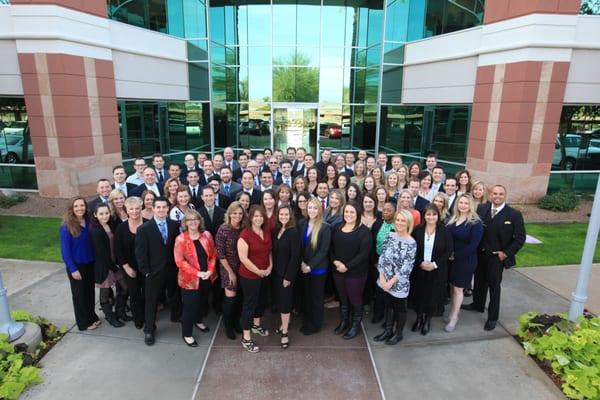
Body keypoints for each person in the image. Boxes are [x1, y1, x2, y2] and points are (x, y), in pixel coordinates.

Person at [463, 185, 526, 331]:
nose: (497, 196)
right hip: (480, 253)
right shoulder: (482, 208)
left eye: (501, 194)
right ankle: (477, 305)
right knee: (479, 282)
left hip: (497, 257)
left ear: (505, 195)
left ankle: (492, 317)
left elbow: (520, 238)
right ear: (491, 194)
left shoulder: (513, 214)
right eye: (495, 193)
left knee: (494, 287)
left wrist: (506, 253)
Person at [135, 196, 181, 345]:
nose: (161, 210)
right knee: (151, 301)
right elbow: (140, 253)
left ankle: (176, 316)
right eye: (158, 207)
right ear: (153, 208)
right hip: (153, 272)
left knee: (174, 294)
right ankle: (149, 329)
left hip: (172, 269)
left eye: (164, 207)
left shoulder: (174, 225)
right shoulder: (144, 229)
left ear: (168, 208)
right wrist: (146, 272)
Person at [330, 202, 373, 339]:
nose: (348, 214)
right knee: (343, 298)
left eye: (352, 212)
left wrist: (347, 266)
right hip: (338, 270)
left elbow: (363, 254)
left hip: (355, 273)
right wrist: (335, 261)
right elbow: (330, 247)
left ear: (358, 214)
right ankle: (344, 321)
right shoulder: (337, 227)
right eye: (346, 212)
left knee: (355, 299)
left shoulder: (364, 231)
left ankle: (355, 325)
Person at [174, 210, 217, 347]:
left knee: (202, 302)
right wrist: (197, 273)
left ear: (200, 221)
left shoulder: (207, 235)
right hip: (190, 280)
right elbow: (180, 262)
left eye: (195, 219)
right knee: (189, 307)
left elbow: (213, 254)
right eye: (189, 220)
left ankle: (198, 321)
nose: (193, 222)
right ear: (185, 223)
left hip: (207, 277)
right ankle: (187, 334)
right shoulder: (181, 239)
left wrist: (210, 270)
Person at [373, 210, 416, 345]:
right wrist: (382, 277)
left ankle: (398, 334)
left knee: (400, 309)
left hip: (398, 282)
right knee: (388, 306)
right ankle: (388, 330)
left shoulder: (411, 243)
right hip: (385, 279)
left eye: (403, 220)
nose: (399, 223)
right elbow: (382, 257)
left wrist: (391, 282)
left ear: (408, 222)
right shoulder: (390, 235)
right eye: (398, 220)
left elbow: (406, 267)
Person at [411, 204, 453, 335]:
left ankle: (427, 320)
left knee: (432, 296)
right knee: (419, 295)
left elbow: (448, 251)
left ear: (438, 216)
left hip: (436, 270)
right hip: (420, 269)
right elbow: (412, 248)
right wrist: (420, 263)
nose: (431, 217)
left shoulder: (444, 231)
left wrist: (434, 264)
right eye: (428, 214)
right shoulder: (418, 230)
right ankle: (418, 318)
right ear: (424, 215)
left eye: (434, 214)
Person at [444, 194, 484, 332]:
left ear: (470, 205)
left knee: (458, 288)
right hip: (450, 260)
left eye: (466, 203)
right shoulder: (452, 219)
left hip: (465, 260)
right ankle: (453, 311)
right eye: (460, 202)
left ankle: (454, 316)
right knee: (451, 286)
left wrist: (455, 256)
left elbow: (473, 245)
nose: (463, 205)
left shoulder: (475, 222)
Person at [60, 196, 100, 331]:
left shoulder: (89, 221)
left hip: (90, 264)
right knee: (79, 296)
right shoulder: (67, 227)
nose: (79, 208)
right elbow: (65, 252)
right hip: (77, 266)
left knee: (89, 293)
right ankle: (83, 323)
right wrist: (73, 269)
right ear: (71, 208)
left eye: (82, 205)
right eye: (76, 206)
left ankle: (92, 316)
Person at [238, 205, 273, 353]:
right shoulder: (244, 235)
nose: (258, 218)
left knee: (262, 301)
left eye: (261, 216)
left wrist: (270, 266)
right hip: (250, 276)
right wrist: (258, 271)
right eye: (255, 216)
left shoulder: (266, 231)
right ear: (250, 218)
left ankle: (256, 325)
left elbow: (269, 251)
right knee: (249, 305)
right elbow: (244, 259)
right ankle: (246, 338)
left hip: (265, 273)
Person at [90, 204, 126, 328]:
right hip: (105, 267)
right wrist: (115, 267)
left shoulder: (110, 225)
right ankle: (110, 317)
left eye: (106, 213)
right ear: (95, 215)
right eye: (101, 214)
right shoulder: (96, 231)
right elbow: (102, 254)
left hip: (114, 263)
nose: (104, 216)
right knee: (104, 294)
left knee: (125, 288)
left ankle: (120, 312)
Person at [299, 198, 332, 335]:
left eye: (314, 208)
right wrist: (302, 263)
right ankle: (307, 320)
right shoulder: (302, 223)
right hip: (303, 266)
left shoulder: (325, 227)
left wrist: (310, 266)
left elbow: (323, 251)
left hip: (317, 268)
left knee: (317, 298)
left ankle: (316, 324)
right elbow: (299, 246)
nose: (311, 210)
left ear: (319, 210)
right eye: (309, 208)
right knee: (306, 295)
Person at [271, 205, 301, 349]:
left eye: (286, 214)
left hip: (286, 275)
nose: (283, 216)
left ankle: (285, 333)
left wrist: (288, 277)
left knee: (285, 303)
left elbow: (295, 257)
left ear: (290, 216)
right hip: (276, 273)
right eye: (281, 214)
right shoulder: (277, 230)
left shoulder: (293, 232)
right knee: (280, 301)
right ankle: (283, 324)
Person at [115, 196, 145, 329]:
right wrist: (127, 268)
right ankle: (138, 319)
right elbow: (118, 251)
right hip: (130, 267)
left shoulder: (149, 223)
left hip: (147, 267)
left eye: (137, 208)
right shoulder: (121, 228)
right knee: (134, 294)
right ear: (126, 210)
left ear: (141, 208)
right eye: (131, 209)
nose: (134, 211)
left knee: (148, 293)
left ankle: (149, 316)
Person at [216, 202, 245, 339]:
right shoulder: (223, 229)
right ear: (229, 214)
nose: (237, 216)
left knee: (239, 298)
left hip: (243, 267)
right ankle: (228, 327)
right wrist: (231, 273)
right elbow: (220, 254)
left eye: (240, 213)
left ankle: (236, 323)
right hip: (228, 268)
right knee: (230, 299)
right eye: (234, 213)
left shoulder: (244, 228)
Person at [370, 202, 396, 323]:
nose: (385, 212)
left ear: (395, 212)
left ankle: (388, 317)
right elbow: (372, 243)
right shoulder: (378, 223)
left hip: (392, 265)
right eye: (384, 210)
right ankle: (378, 312)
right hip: (377, 260)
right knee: (378, 289)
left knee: (388, 290)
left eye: (389, 210)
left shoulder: (398, 226)